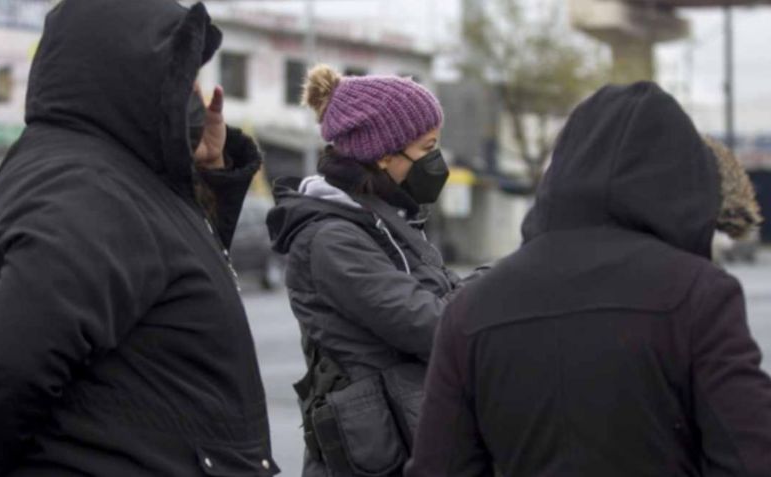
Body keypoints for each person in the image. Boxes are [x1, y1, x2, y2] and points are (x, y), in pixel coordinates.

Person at [0, 1, 278, 476]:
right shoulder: (85, 186)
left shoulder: (116, 172)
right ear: (127, 70)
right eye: (180, 72)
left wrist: (205, 177)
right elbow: (9, 374)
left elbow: (169, 280)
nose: (194, 90)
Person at [406, 82, 771, 477]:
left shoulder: (471, 308)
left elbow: (438, 467)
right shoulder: (698, 295)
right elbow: (749, 458)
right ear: (687, 183)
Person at [267, 65, 478, 477]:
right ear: (384, 155)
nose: (437, 161)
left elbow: (447, 296)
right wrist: (505, 288)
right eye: (427, 147)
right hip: (374, 455)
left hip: (405, 436)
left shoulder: (388, 223)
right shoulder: (331, 239)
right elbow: (430, 324)